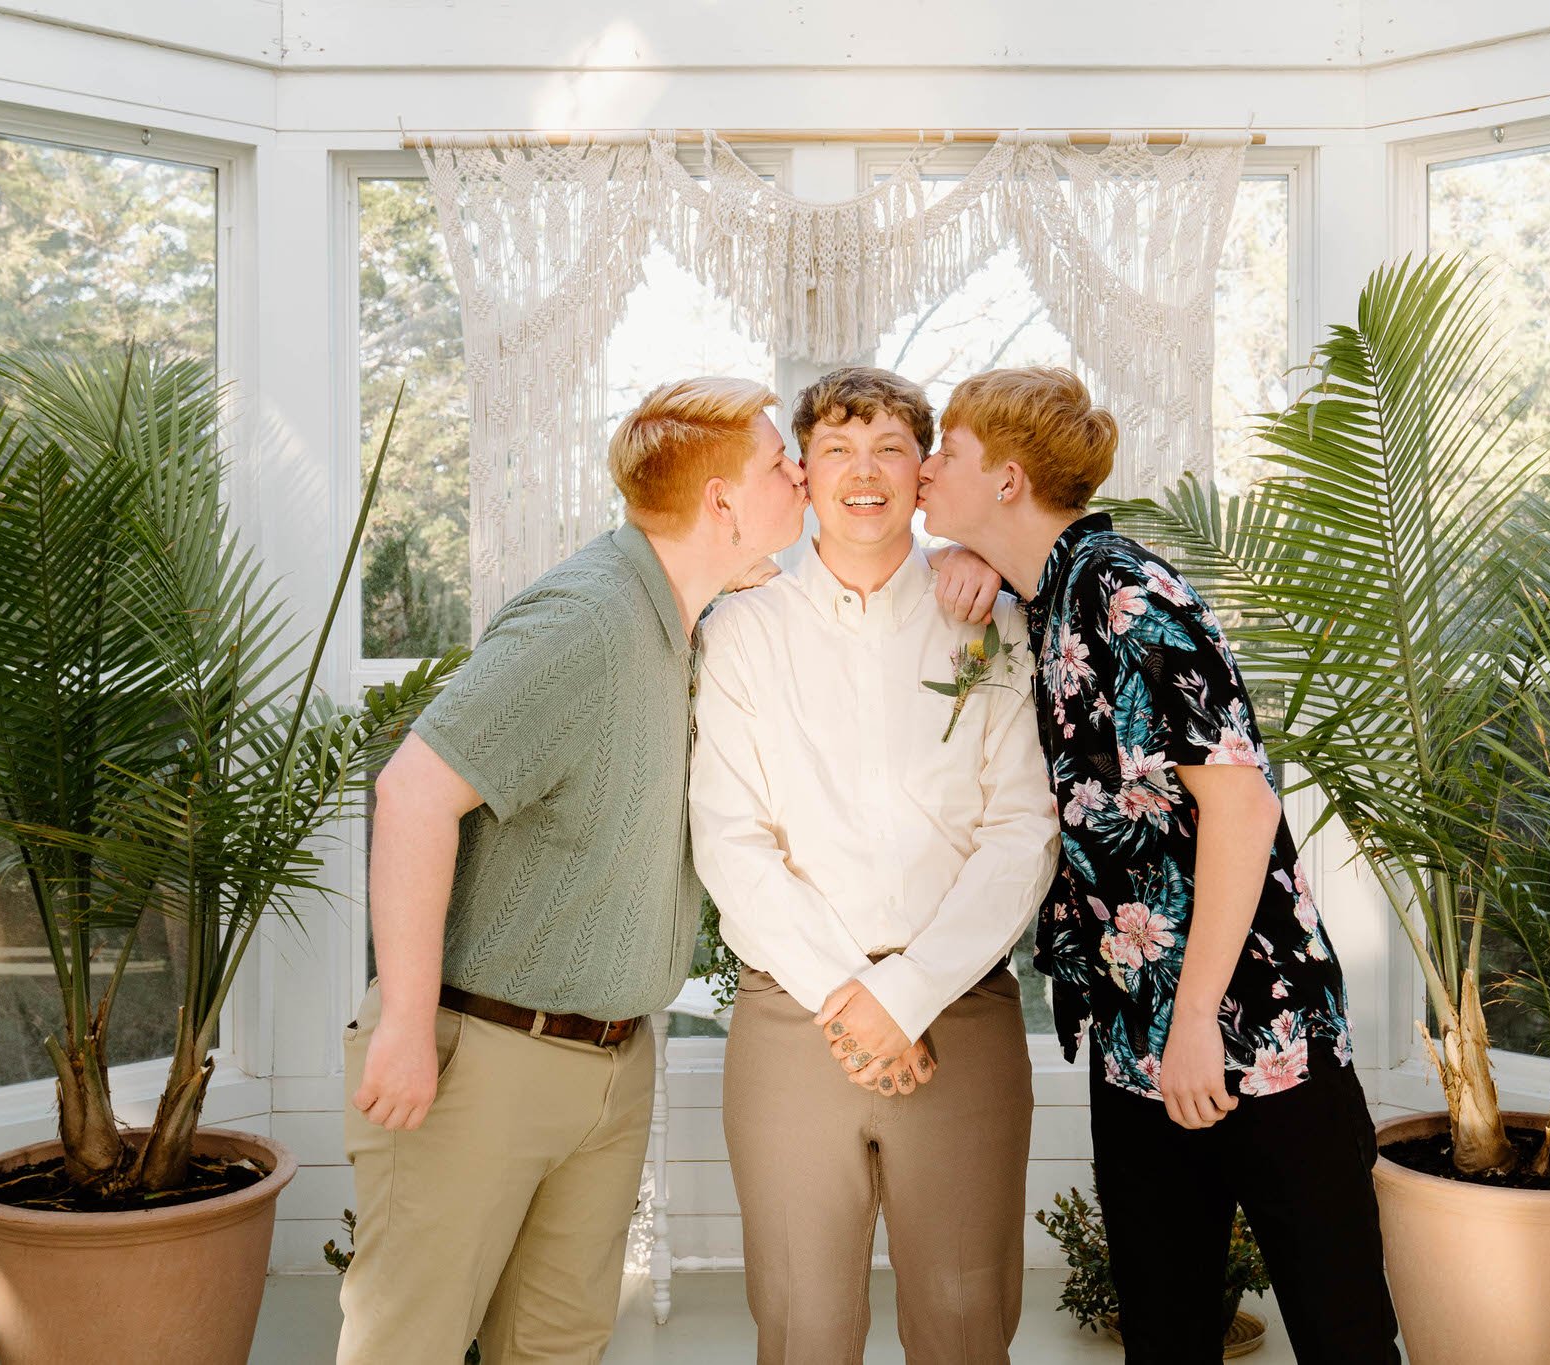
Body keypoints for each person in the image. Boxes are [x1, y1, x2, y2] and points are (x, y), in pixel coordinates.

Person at [915, 366, 1399, 1364]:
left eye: (946, 453)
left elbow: (1242, 805)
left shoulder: (1123, 592)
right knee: (1165, 1333)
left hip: (1258, 1037)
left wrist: (1191, 1030)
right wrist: (960, 555)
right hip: (1137, 1036)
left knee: (1340, 1334)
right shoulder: (1049, 592)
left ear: (1007, 477)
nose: (924, 469)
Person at [337, 377, 809, 1365]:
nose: (800, 474)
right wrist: (405, 1027)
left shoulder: (676, 612)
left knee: (555, 1348)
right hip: (482, 1059)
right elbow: (414, 794)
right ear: (719, 502)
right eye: (778, 462)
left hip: (607, 1066)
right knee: (405, 1347)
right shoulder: (584, 620)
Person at [690, 365, 1059, 1364]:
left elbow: (1020, 827)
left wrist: (909, 994)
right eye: (837, 450)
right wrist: (848, 996)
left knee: (964, 1319)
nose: (865, 472)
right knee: (802, 1322)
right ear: (801, 472)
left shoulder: (985, 618)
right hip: (791, 1016)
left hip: (962, 1012)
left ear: (922, 468)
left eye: (890, 447)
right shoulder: (741, 628)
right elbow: (730, 839)